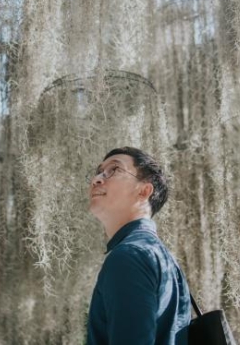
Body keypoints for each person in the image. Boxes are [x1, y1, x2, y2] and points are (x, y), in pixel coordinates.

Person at [86, 146, 190, 345]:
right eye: (99, 172)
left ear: (144, 190)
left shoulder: (129, 257)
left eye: (114, 170)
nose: (97, 179)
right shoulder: (158, 255)